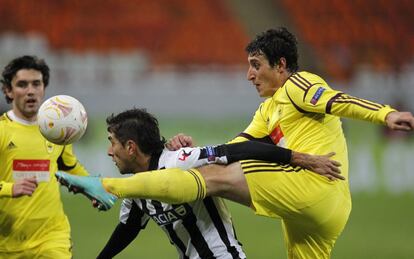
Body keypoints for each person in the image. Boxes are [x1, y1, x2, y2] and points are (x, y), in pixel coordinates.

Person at [56, 27, 414, 259]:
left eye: (256, 65)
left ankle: (104, 185)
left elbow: (336, 100)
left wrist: (385, 115)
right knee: (214, 167)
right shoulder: (268, 110)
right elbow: (233, 148)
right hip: (322, 216)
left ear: (282, 64)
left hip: (315, 186)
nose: (249, 74)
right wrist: (196, 151)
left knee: (212, 177)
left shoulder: (298, 84)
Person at [74, 108, 341, 258]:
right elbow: (128, 228)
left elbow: (240, 150)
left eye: (112, 143)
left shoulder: (180, 160)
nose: (109, 152)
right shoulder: (139, 187)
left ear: (131, 147)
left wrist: (300, 159)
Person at [0, 55, 89, 259]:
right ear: (8, 91)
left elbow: (70, 167)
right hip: (7, 242)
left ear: (44, 88)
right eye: (22, 84)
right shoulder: (2, 131)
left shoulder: (57, 131)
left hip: (52, 237)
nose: (30, 91)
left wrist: (97, 187)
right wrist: (10, 188)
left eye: (36, 84)